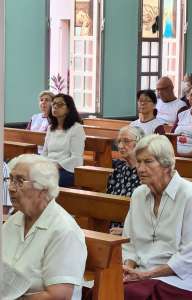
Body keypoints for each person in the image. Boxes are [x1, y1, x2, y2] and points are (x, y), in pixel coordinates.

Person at [122, 134, 192, 299]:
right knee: (103, 287)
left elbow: (190, 255)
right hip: (141, 273)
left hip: (179, 279)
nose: (140, 169)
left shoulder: (190, 195)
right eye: (138, 161)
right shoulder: (138, 194)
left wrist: (147, 274)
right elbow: (129, 241)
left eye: (148, 162)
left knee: (127, 294)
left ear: (166, 165)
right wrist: (128, 269)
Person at [2, 154, 87, 299]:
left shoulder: (64, 231)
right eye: (10, 179)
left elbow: (59, 296)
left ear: (43, 189)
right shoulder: (13, 221)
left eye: (19, 181)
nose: (10, 188)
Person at [42, 93, 86, 187]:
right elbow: (45, 153)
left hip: (67, 170)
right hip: (49, 168)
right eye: (53, 104)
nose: (55, 107)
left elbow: (76, 157)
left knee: (44, 182)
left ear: (69, 109)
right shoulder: (50, 128)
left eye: (60, 104)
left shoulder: (76, 128)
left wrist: (56, 166)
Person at [107, 126, 145, 197]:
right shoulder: (118, 170)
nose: (120, 146)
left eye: (126, 141)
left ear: (139, 143)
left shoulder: (145, 173)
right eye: (119, 141)